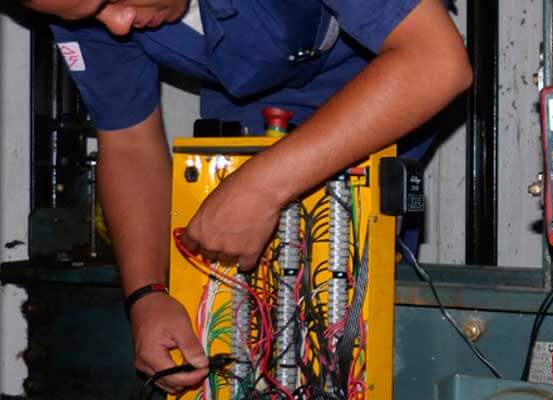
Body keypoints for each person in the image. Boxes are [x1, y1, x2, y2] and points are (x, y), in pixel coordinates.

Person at [22, 0, 472, 394]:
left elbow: (434, 62)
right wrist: (146, 296)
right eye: (90, 15)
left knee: (357, 312)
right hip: (254, 110)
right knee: (252, 326)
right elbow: (129, 143)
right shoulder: (86, 9)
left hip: (379, 89)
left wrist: (261, 187)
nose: (117, 25)